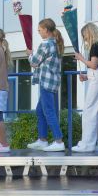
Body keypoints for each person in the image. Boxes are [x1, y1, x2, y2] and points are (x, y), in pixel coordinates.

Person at [26, 19, 66, 152]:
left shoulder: (46, 44)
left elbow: (34, 62)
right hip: (52, 82)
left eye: (40, 29)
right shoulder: (55, 43)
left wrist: (29, 54)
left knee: (48, 111)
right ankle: (42, 140)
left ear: (46, 30)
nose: (38, 31)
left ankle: (58, 141)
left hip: (46, 82)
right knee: (40, 110)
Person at [73, 23, 98, 152]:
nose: (84, 38)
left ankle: (87, 144)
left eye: (84, 35)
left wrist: (81, 58)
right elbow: (97, 67)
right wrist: (87, 76)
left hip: (97, 79)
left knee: (89, 111)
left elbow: (93, 65)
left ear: (89, 33)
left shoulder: (95, 46)